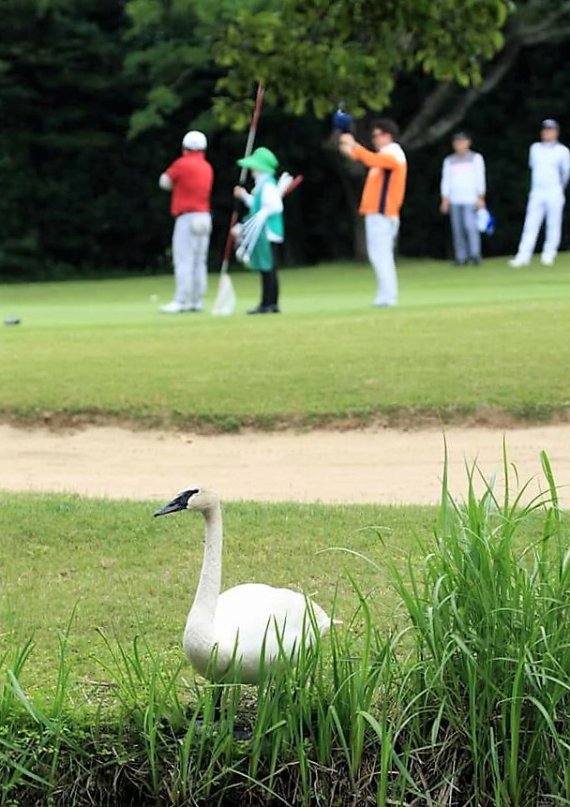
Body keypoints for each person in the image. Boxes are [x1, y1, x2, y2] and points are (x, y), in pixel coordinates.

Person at [339, 120, 407, 308]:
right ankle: (386, 295)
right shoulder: (384, 155)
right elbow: (363, 158)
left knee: (381, 255)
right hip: (377, 212)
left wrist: (354, 144)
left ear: (388, 135)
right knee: (380, 255)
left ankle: (388, 297)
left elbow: (371, 159)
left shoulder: (393, 152)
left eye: (377, 135)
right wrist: (347, 146)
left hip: (383, 212)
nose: (374, 139)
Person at [158, 130, 214, 312]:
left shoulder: (182, 164)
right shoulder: (207, 167)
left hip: (187, 217)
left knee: (184, 260)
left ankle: (181, 300)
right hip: (205, 217)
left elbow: (164, 181)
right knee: (200, 261)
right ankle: (197, 301)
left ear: (185, 147)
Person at [509, 119, 570, 267]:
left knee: (553, 224)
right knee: (530, 224)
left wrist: (558, 188)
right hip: (537, 191)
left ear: (556, 132)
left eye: (550, 130)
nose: (547, 132)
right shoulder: (535, 148)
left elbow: (565, 173)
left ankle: (548, 255)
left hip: (554, 190)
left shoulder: (562, 151)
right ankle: (523, 256)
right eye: (545, 130)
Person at [233, 147, 284, 314]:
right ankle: (267, 302)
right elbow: (256, 205)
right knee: (265, 268)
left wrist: (262, 213)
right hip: (263, 232)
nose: (252, 170)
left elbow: (275, 206)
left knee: (268, 268)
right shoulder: (262, 185)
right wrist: (245, 196)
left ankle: (270, 303)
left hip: (268, 232)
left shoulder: (268, 185)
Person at [440, 132, 486, 266]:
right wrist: (445, 199)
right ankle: (461, 257)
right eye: (457, 142)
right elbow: (446, 181)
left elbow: (480, 178)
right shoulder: (449, 160)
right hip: (455, 198)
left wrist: (480, 197)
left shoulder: (475, 158)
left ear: (468, 142)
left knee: (470, 226)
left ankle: (475, 254)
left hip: (470, 198)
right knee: (457, 229)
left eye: (462, 141)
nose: (459, 144)